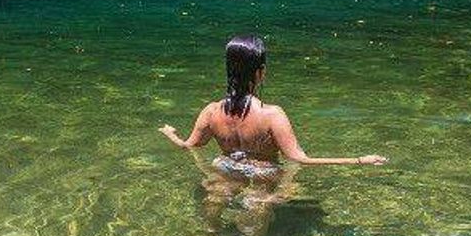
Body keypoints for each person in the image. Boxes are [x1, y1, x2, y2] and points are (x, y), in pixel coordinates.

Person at [159, 34, 387, 169]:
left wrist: (170, 134)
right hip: (263, 176)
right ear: (261, 73)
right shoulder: (272, 116)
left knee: (215, 205)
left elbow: (188, 146)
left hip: (226, 171)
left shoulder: (211, 112)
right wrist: (358, 160)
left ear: (229, 70)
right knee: (259, 211)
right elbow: (300, 159)